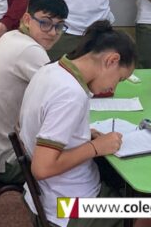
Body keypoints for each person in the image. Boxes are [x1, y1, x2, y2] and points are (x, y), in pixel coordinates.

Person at [18, 20, 135, 227]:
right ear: (112, 60)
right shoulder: (70, 94)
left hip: (46, 196)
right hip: (68, 207)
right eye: (119, 79)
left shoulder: (51, 69)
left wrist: (80, 135)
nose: (113, 88)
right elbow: (42, 168)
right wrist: (95, 147)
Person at [0, 0, 69, 184]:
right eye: (45, 23)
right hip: (8, 161)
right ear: (27, 19)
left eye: (59, 26)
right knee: (82, 162)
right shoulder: (30, 50)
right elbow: (62, 98)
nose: (52, 32)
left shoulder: (10, 37)